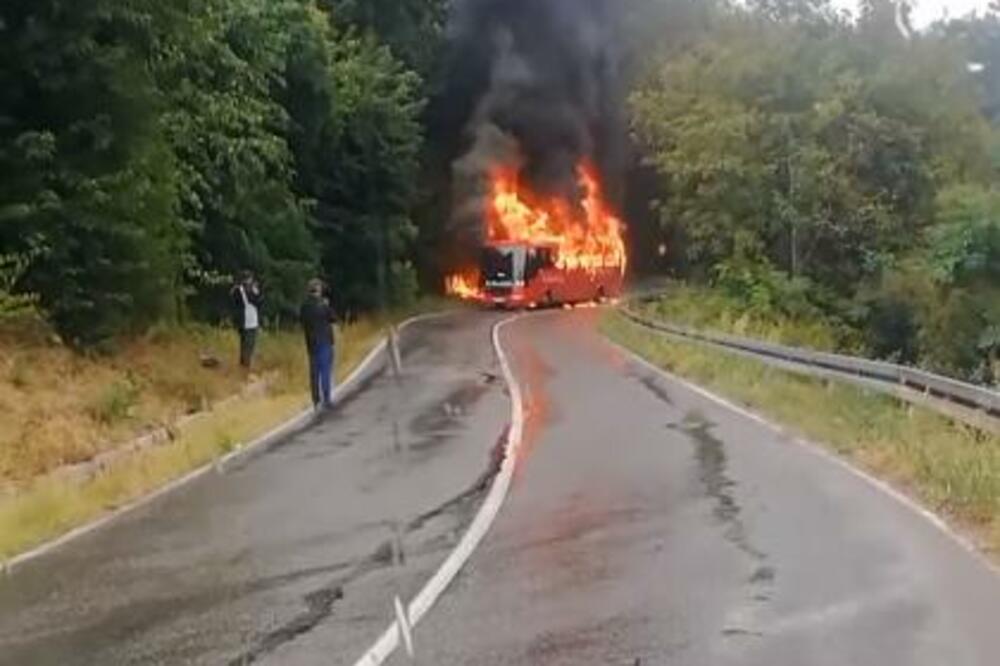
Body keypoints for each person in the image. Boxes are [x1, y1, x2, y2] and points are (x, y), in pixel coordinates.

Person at [300, 278, 337, 410]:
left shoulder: (304, 307)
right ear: (319, 290)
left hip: (311, 343)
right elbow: (333, 318)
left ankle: (316, 401)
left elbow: (302, 321)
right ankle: (327, 399)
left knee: (314, 373)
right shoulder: (322, 305)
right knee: (325, 371)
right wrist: (327, 305)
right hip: (325, 341)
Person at [230, 270, 262, 371]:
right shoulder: (248, 290)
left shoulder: (236, 290)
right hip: (250, 320)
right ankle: (246, 366)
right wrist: (256, 292)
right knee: (249, 345)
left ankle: (243, 365)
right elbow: (257, 302)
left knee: (243, 344)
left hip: (241, 320)